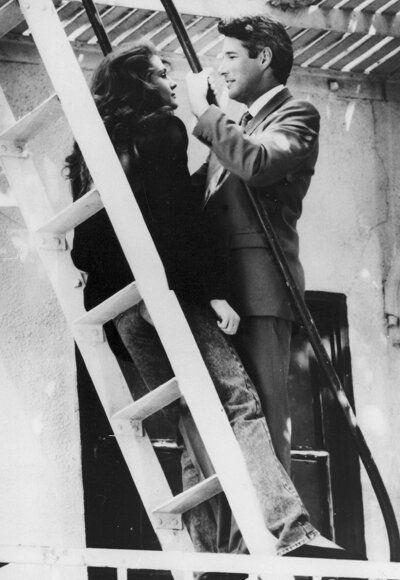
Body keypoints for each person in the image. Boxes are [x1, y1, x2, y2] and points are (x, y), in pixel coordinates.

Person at [66, 41, 322, 561]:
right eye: (162, 74)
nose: (172, 81)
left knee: (188, 417)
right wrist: (212, 292)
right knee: (239, 401)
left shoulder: (91, 142)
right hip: (164, 296)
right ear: (142, 83)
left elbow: (92, 239)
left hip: (119, 309)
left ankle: (205, 556)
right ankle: (290, 526)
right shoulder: (162, 128)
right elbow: (176, 220)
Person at [186, 15, 320, 476]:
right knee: (218, 424)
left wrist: (206, 113)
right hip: (218, 287)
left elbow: (258, 163)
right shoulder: (237, 124)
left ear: (262, 58)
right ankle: (226, 545)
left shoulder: (297, 114)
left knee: (262, 422)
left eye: (228, 56)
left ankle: (271, 542)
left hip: (260, 290)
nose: (218, 68)